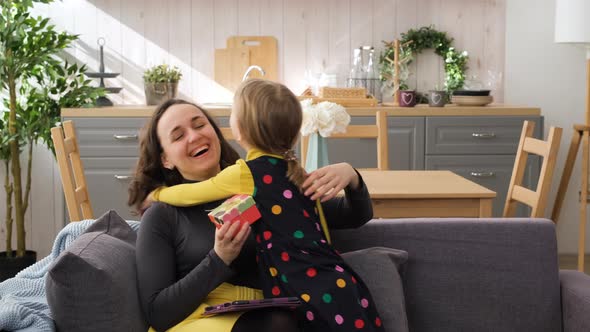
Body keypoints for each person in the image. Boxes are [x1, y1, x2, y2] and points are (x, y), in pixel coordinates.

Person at [145, 79, 384, 332]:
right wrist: (218, 259)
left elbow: (355, 215)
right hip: (199, 320)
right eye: (178, 135)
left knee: (285, 322)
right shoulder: (162, 215)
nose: (194, 136)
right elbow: (158, 314)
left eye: (199, 124)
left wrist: (352, 177)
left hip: (268, 313)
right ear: (165, 159)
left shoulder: (271, 189)